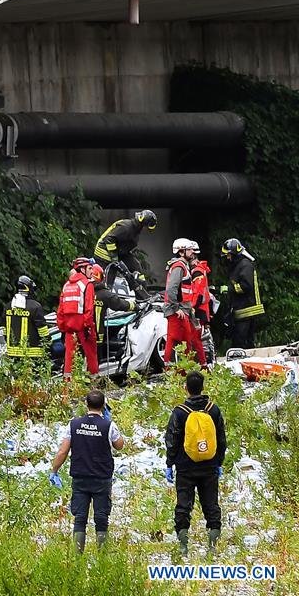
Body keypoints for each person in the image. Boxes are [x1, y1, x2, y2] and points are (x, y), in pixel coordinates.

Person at [50, 389, 125, 552]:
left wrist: (54, 470)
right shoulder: (108, 425)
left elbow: (63, 452)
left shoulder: (74, 424)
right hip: (101, 478)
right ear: (104, 405)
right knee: (101, 517)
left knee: (80, 518)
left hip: (80, 477)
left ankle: (78, 556)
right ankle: (102, 555)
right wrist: (110, 425)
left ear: (86, 404)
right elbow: (119, 445)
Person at [165, 371, 226, 556]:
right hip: (209, 466)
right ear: (203, 387)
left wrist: (170, 463)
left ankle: (183, 546)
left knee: (183, 505)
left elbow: (172, 439)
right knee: (211, 505)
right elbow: (221, 439)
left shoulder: (179, 412)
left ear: (186, 388)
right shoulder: (213, 410)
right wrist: (219, 462)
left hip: (185, 467)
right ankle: (212, 546)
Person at [164, 239, 206, 367]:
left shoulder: (182, 266)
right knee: (178, 342)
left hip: (183, 310)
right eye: (189, 249)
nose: (193, 251)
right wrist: (176, 308)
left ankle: (183, 371)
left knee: (185, 342)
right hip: (178, 311)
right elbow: (171, 289)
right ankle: (174, 371)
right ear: (181, 252)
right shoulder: (179, 266)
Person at [57, 257, 98, 379]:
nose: (92, 271)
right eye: (90, 268)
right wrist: (87, 326)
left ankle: (68, 383)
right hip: (84, 326)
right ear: (82, 269)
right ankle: (93, 382)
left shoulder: (66, 285)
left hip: (69, 328)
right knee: (91, 355)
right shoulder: (87, 285)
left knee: (69, 357)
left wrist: (62, 328)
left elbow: (60, 310)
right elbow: (89, 309)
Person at [220, 238, 264, 349]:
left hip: (248, 311)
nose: (227, 258)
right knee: (240, 343)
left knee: (241, 344)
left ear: (234, 254)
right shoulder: (238, 265)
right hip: (242, 311)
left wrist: (229, 289)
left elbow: (246, 286)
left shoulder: (245, 265)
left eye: (229, 255)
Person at [94, 210, 157, 286]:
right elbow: (109, 239)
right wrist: (114, 258)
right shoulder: (126, 227)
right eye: (147, 227)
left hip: (119, 253)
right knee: (107, 282)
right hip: (104, 254)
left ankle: (141, 288)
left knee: (135, 266)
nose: (147, 230)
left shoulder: (135, 230)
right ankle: (105, 290)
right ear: (142, 224)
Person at [4, 275, 50, 360]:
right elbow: (42, 330)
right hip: (32, 354)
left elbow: (4, 330)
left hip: (12, 354)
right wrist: (48, 342)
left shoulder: (8, 306)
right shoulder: (35, 306)